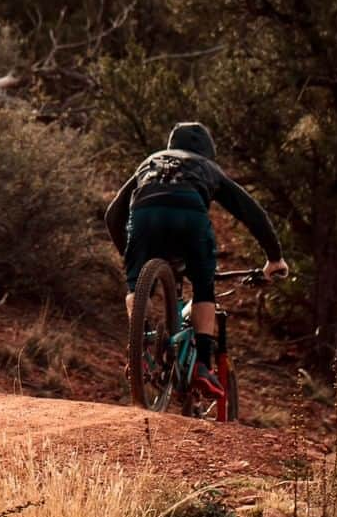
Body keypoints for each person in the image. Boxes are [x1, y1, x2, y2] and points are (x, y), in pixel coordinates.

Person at [104, 121, 288, 398]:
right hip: (189, 212)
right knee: (203, 288)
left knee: (134, 288)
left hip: (145, 213)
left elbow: (112, 214)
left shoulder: (150, 162)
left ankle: (138, 351)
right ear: (207, 151)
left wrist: (130, 256)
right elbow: (250, 211)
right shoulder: (207, 167)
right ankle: (203, 365)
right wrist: (274, 258)